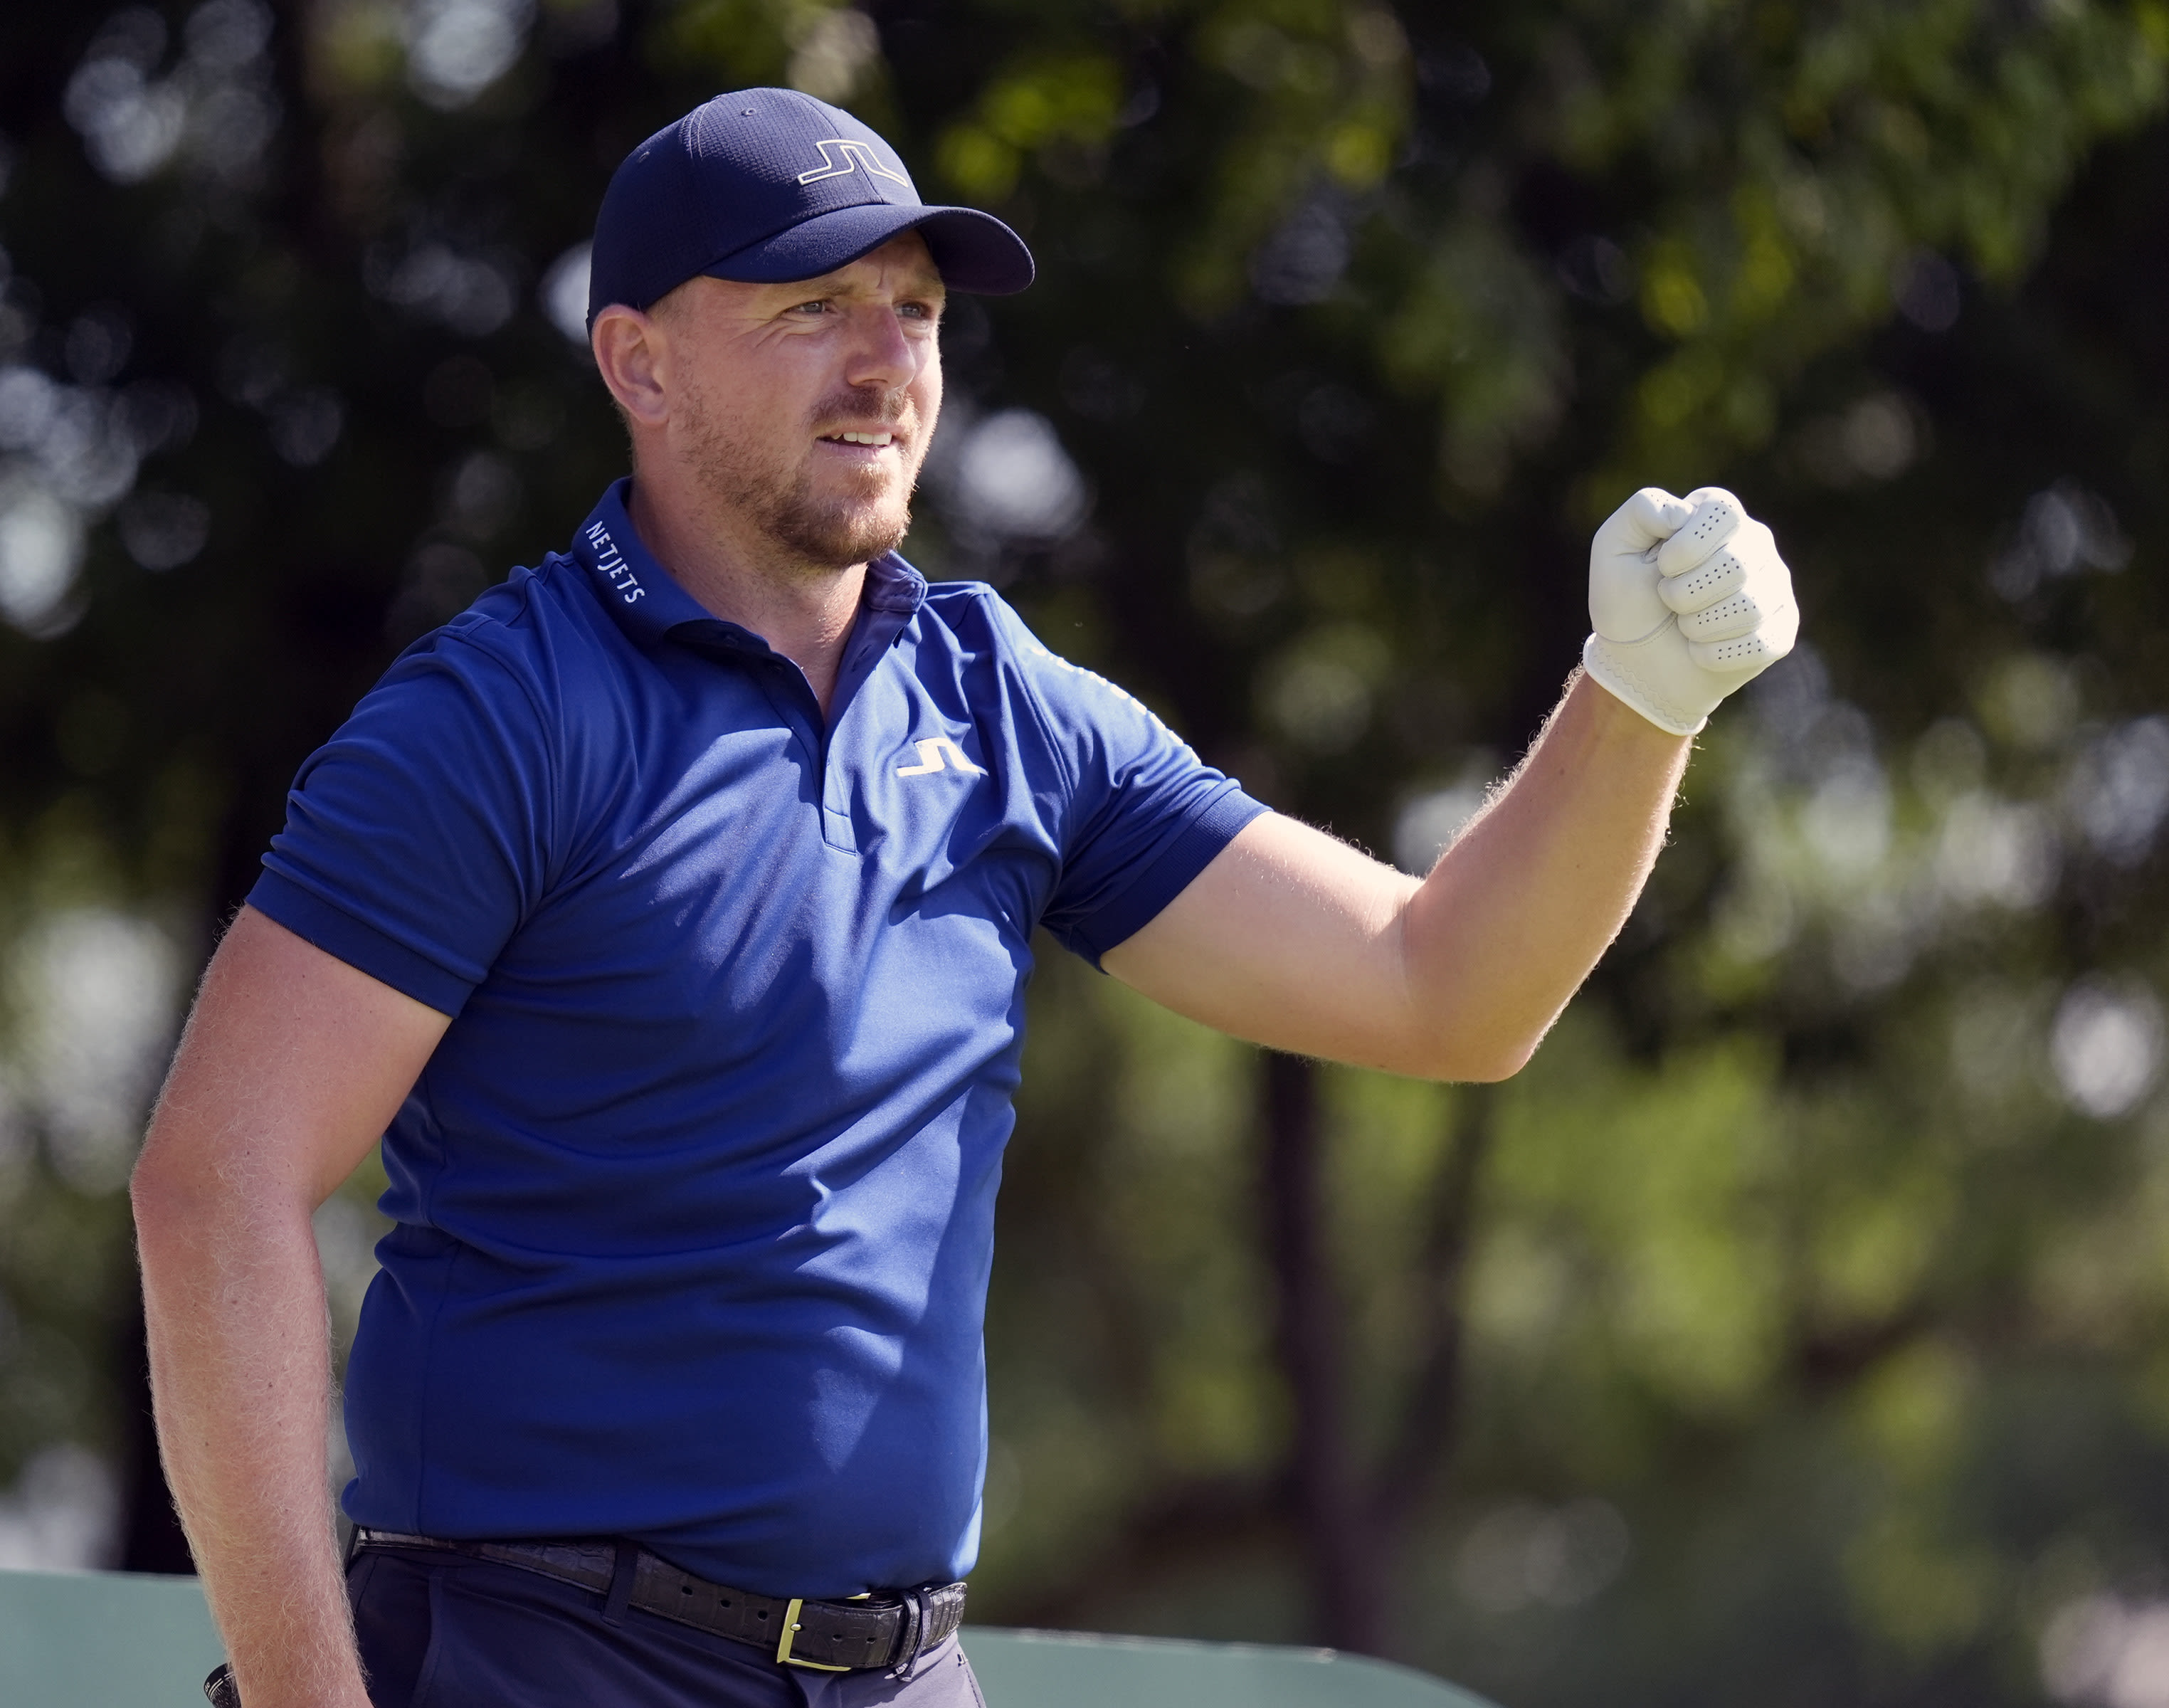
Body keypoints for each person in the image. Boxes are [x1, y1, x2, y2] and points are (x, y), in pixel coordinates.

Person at [130, 88, 1799, 1708]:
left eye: (915, 310)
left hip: (902, 1673)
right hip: (546, 1654)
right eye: (814, 308)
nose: (885, 365)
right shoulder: (503, 716)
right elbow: (215, 1187)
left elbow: (1444, 993)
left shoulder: (1002, 703)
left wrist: (1637, 701)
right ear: (636, 359)